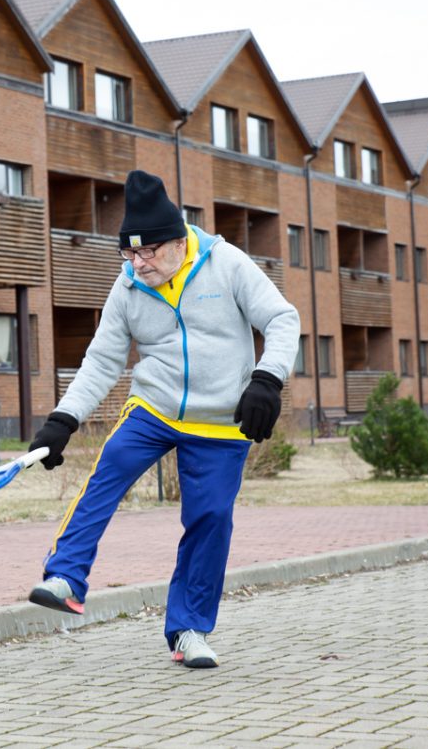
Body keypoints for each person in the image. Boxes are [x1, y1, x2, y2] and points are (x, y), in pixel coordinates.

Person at [26, 169, 300, 668]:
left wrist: (267, 379)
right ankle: (65, 576)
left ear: (178, 241)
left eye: (148, 252)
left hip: (221, 419)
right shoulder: (128, 286)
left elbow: (282, 319)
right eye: (128, 254)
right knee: (108, 471)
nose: (138, 264)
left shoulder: (227, 264)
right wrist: (63, 418)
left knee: (210, 519)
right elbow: (102, 361)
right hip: (155, 407)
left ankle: (188, 630)